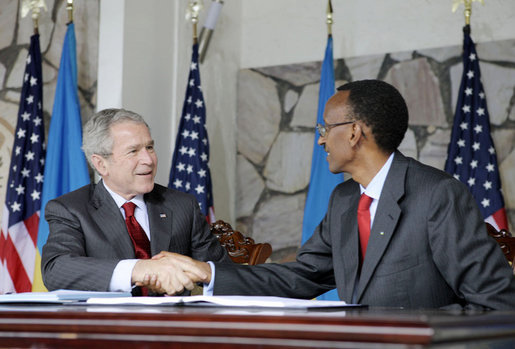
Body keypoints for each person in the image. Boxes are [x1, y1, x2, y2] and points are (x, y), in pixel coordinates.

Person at [152, 79, 515, 309]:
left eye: (326, 128)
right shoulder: (344, 201)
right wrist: (209, 273)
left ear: (355, 132)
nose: (322, 139)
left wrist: (418, 329)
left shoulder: (437, 195)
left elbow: (497, 302)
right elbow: (300, 277)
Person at [42, 108, 231, 295]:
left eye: (149, 147)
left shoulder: (182, 205)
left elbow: (224, 274)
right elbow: (56, 270)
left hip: (172, 321)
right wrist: (139, 269)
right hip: (108, 324)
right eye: (133, 151)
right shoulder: (71, 209)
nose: (148, 159)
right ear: (101, 164)